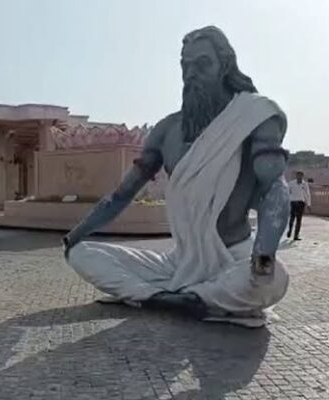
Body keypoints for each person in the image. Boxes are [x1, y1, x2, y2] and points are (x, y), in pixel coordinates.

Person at [62, 26, 290, 328]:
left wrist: (263, 256)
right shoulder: (167, 129)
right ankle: (177, 298)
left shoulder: (255, 116)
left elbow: (275, 186)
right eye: (185, 65)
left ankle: (172, 296)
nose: (191, 73)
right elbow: (122, 194)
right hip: (181, 262)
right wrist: (74, 236)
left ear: (224, 65)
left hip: (235, 256)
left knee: (274, 278)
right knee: (82, 254)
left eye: (202, 64)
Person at [287, 171, 311, 240]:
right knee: (292, 218)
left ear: (302, 176)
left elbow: (307, 194)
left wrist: (308, 204)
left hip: (301, 203)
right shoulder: (291, 183)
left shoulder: (304, 184)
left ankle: (296, 235)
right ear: (296, 176)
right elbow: (287, 192)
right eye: (298, 176)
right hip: (293, 202)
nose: (299, 177)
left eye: (301, 176)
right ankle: (290, 230)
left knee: (299, 219)